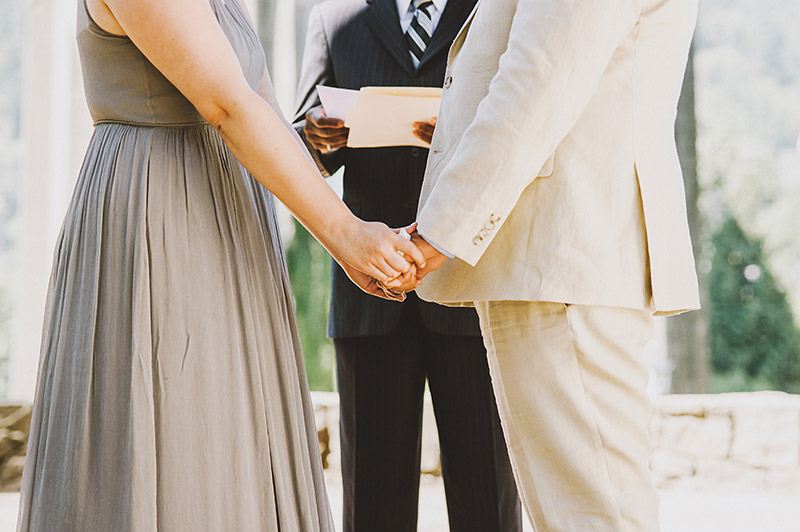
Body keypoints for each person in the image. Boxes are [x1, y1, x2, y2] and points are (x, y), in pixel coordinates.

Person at [16, 0, 427, 530]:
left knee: (233, 446)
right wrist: (346, 234)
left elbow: (264, 112)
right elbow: (224, 103)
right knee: (173, 442)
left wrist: (346, 231)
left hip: (230, 221)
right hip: (157, 218)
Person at [393, 0, 702, 530]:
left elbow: (540, 79)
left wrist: (440, 231)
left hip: (563, 252)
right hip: (556, 254)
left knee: (594, 512)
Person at [293, 0, 521, 531]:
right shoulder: (334, 17)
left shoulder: (491, 9)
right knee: (372, 505)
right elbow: (302, 148)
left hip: (468, 289)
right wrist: (317, 137)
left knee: (488, 503)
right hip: (369, 295)